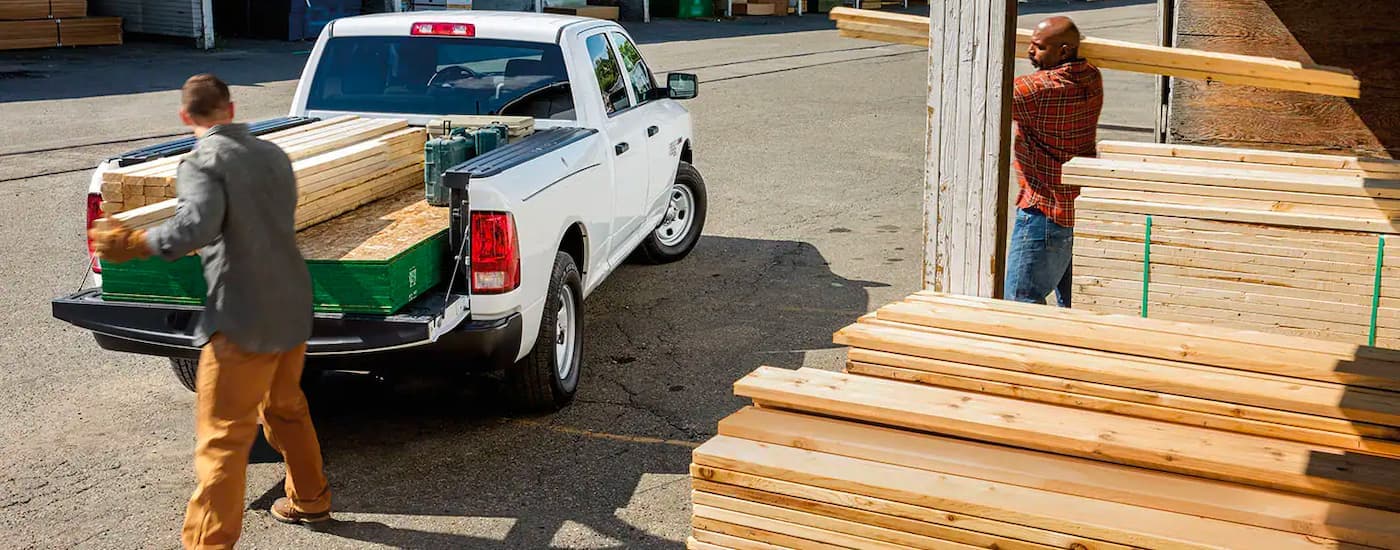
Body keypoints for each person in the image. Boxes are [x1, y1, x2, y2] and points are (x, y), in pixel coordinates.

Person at [88, 74, 332, 549]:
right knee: (284, 408)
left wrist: (136, 241)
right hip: (292, 304)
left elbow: (194, 228)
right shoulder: (274, 155)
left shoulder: (201, 163)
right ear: (232, 109)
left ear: (186, 117)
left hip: (242, 315)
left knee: (222, 439)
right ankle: (310, 499)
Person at [1003, 16, 1104, 307]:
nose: (1030, 52)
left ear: (1063, 51)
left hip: (1043, 212)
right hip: (1076, 210)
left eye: (1039, 47)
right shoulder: (1092, 77)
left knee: (1023, 301)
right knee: (1074, 304)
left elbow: (984, 91)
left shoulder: (1035, 91)